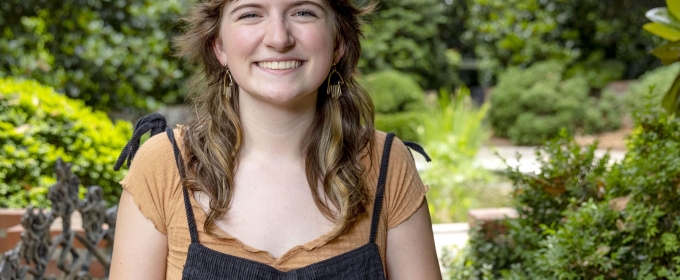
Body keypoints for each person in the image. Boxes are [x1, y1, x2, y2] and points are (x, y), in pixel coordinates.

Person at [109, 0, 441, 279]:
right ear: (219, 45)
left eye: (303, 12)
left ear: (338, 41)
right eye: (251, 13)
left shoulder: (388, 165)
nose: (279, 38)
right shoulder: (163, 164)